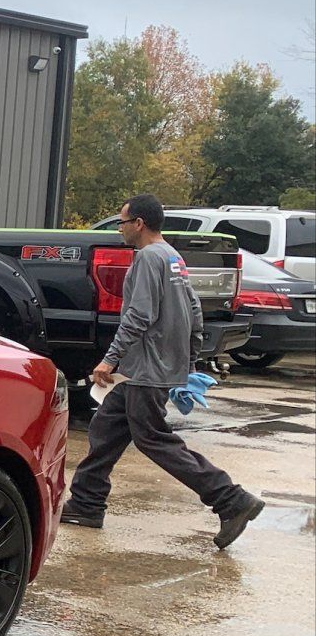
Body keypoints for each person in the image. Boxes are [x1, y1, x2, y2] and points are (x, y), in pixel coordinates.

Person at [62, 194, 265, 548]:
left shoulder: (147, 258)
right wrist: (188, 361)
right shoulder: (173, 257)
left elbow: (139, 315)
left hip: (145, 368)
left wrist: (109, 359)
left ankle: (230, 499)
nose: (120, 229)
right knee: (106, 428)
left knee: (153, 439)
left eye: (123, 222)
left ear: (138, 223)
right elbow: (194, 310)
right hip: (148, 367)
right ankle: (86, 504)